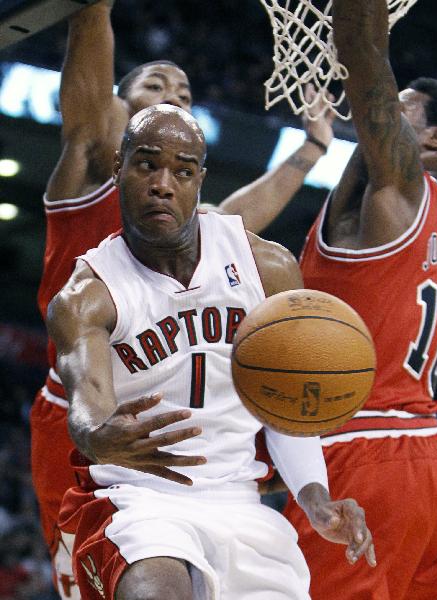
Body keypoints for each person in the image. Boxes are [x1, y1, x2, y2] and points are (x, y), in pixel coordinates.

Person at [29, 1, 333, 595]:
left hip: (210, 442)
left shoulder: (212, 230)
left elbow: (236, 228)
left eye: (185, 91)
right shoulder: (94, 158)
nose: (172, 94)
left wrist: (311, 149)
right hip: (89, 403)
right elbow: (91, 106)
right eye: (154, 84)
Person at [47, 104, 375, 600]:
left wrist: (314, 497)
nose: (163, 184)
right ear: (119, 168)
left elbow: (287, 408)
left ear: (201, 179)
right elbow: (87, 396)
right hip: (135, 500)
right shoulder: (88, 295)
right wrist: (96, 434)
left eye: (181, 171)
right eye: (146, 164)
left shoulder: (267, 267)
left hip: (239, 504)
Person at [281, 1, 437, 598]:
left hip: (365, 448)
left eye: (402, 108)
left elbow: (362, 56)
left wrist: (361, 22)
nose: (377, 108)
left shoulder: (400, 188)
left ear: (435, 138)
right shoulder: (434, 222)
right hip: (435, 455)